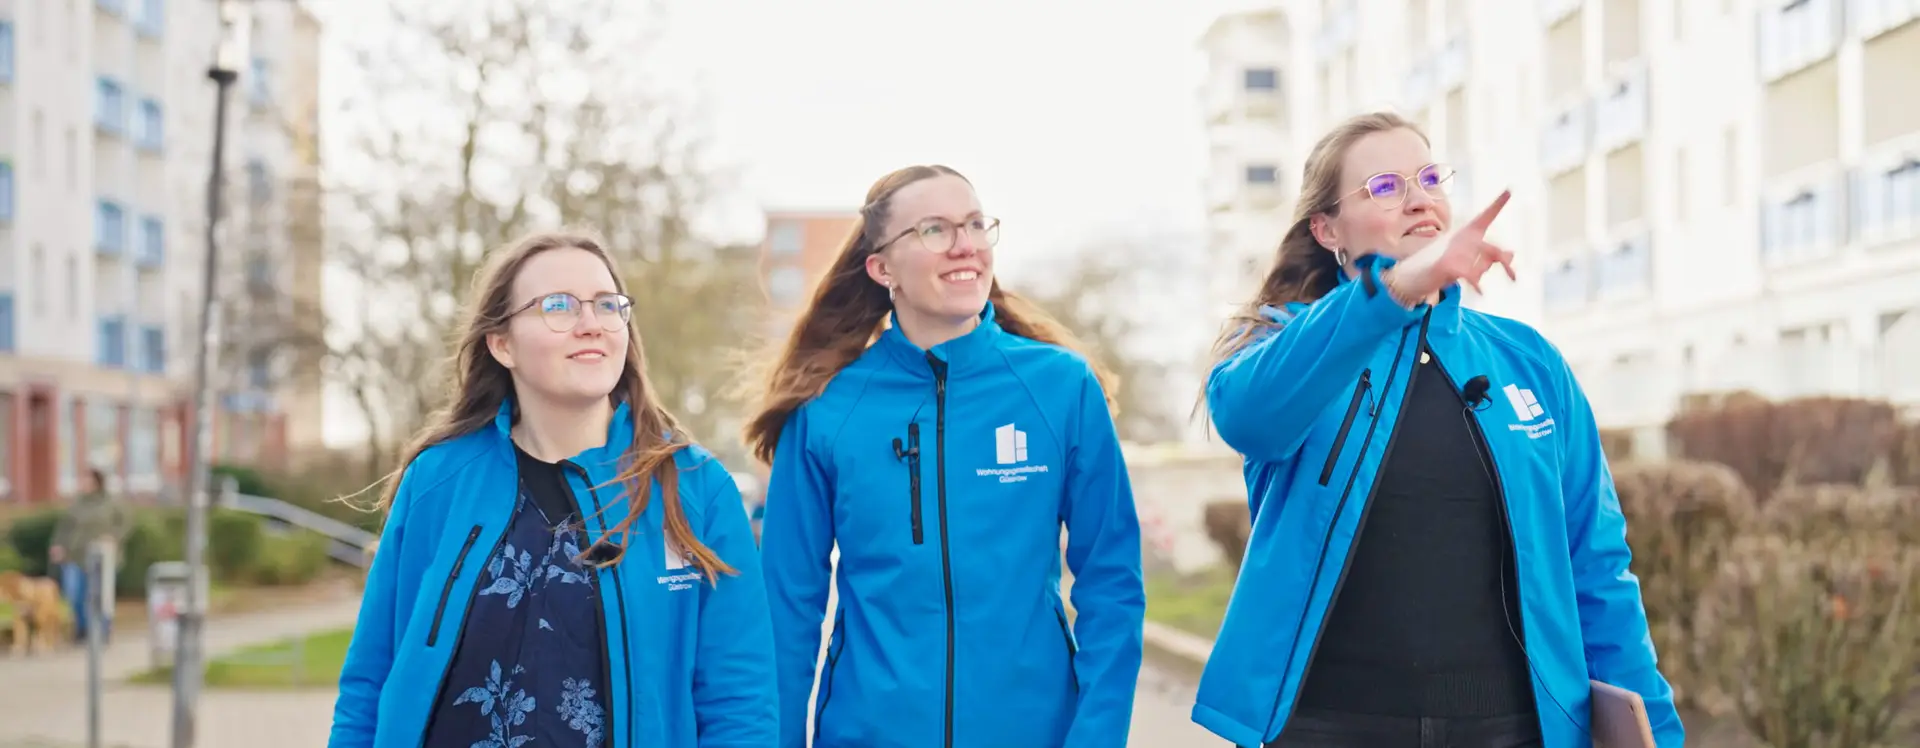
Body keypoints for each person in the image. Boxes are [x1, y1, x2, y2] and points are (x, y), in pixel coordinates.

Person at [1190, 112, 1683, 748]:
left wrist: (1659, 734)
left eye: (1427, 177)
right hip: (1331, 727)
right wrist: (1394, 288)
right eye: (1386, 187)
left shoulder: (1527, 360)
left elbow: (1597, 564)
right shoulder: (1286, 346)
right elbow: (1248, 416)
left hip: (1511, 729)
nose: (1419, 196)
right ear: (1327, 229)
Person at [744, 165, 1146, 748]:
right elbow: (786, 607)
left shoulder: (1060, 388)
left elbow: (1112, 582)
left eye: (976, 224)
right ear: (883, 268)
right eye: (934, 229)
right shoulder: (827, 409)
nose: (966, 245)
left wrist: (1095, 738)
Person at [328, 231, 777, 748]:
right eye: (558, 306)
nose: (590, 324)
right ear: (502, 344)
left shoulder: (697, 491)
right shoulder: (437, 482)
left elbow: (741, 705)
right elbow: (369, 681)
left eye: (607, 305)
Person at [50, 467, 131, 644]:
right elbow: (65, 527)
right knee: (74, 593)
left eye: (87, 479)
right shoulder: (77, 503)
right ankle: (82, 629)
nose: (83, 483)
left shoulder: (110, 503)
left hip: (101, 557)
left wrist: (113, 538)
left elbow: (124, 524)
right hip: (74, 556)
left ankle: (103, 630)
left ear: (96, 482)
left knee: (101, 595)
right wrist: (58, 545)